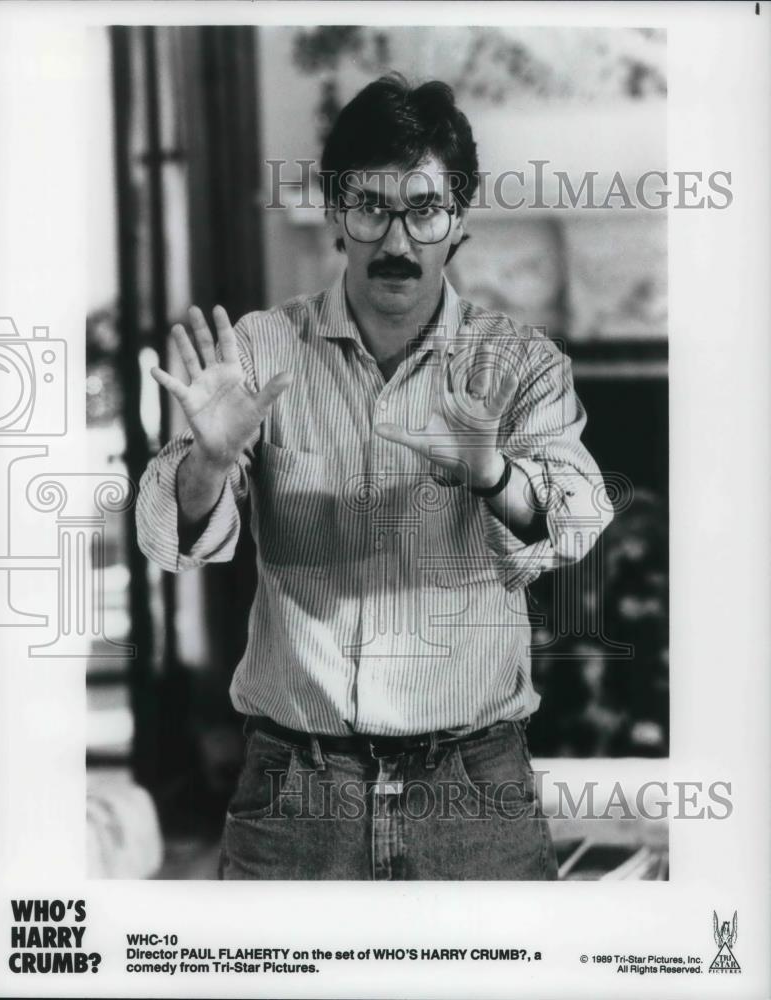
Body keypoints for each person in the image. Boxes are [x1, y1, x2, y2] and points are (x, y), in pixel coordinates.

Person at [136, 74, 613, 880]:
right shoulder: (258, 351)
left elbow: (578, 520)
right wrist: (207, 464)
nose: (397, 239)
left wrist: (492, 472)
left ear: (457, 219)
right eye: (370, 206)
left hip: (474, 788)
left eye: (424, 209)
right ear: (334, 213)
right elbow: (168, 538)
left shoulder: (522, 361)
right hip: (294, 792)